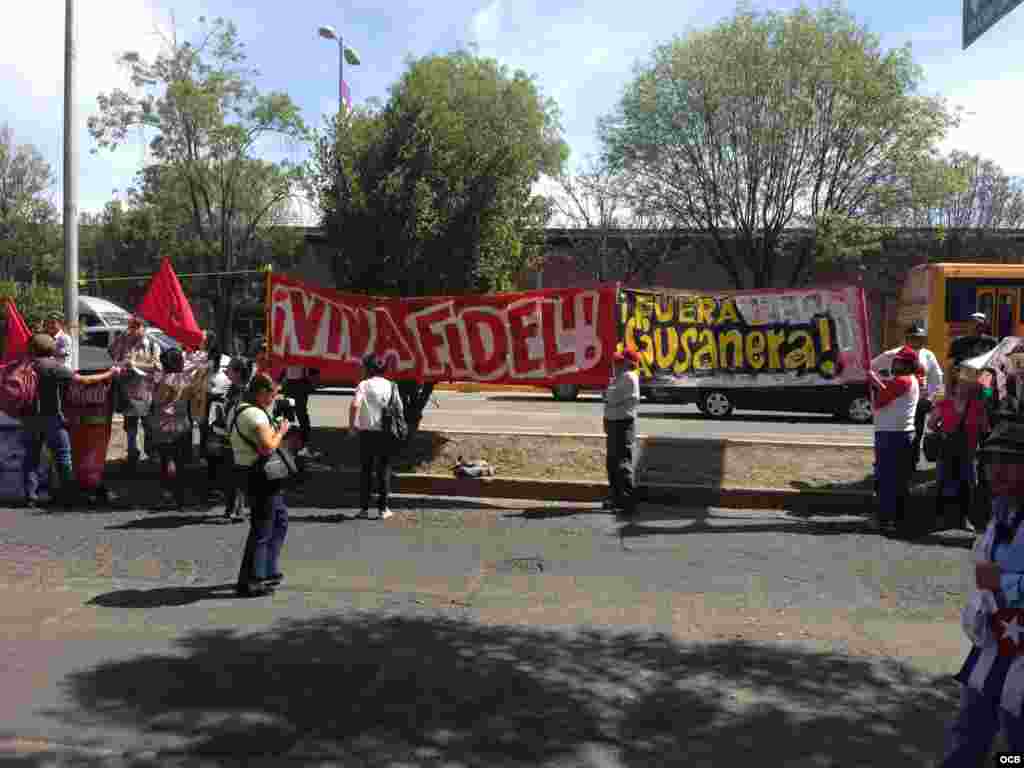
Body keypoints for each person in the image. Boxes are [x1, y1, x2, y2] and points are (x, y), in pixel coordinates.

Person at [939, 442, 1024, 766]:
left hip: (1018, 649)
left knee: (1015, 742)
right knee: (970, 729)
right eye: (992, 461)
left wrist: (1002, 583)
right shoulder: (1002, 510)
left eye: (1011, 461)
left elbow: (996, 577)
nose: (997, 470)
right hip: (995, 641)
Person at [22, 334, 119, 509]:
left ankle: (31, 496)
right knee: (63, 457)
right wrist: (110, 373)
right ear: (51, 348)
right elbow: (85, 380)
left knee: (31, 458)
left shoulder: (26, 366)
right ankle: (68, 496)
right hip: (53, 418)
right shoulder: (54, 367)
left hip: (30, 419)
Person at [231, 372, 291, 597]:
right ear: (261, 392)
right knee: (262, 528)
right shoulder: (254, 415)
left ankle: (266, 569)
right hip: (259, 474)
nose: (273, 399)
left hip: (253, 471)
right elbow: (267, 447)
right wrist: (281, 432)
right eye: (272, 395)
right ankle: (252, 580)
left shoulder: (243, 409)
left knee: (279, 520)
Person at [872, 322, 943, 470]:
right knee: (899, 431)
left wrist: (930, 397)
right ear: (906, 339)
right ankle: (899, 462)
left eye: (920, 338)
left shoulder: (928, 355)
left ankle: (912, 462)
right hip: (898, 399)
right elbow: (871, 367)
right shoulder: (893, 354)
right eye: (914, 338)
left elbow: (936, 377)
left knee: (917, 432)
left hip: (919, 400)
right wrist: (884, 382)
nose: (917, 341)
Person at [868, 344, 921, 534]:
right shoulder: (909, 380)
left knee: (887, 480)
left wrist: (872, 381)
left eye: (898, 362)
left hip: (892, 435)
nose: (894, 364)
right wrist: (875, 380)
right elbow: (887, 392)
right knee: (898, 480)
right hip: (899, 434)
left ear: (907, 364)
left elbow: (880, 400)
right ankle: (897, 519)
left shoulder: (902, 381)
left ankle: (885, 519)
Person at [928, 370, 988, 531]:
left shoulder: (978, 405)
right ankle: (941, 518)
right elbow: (931, 424)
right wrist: (943, 431)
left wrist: (985, 381)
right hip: (947, 450)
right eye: (961, 384)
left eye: (967, 384)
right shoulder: (944, 403)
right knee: (944, 484)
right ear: (954, 386)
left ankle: (964, 519)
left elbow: (984, 428)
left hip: (969, 452)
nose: (964, 387)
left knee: (967, 486)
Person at [349, 354, 400, 520]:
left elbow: (355, 405)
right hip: (385, 433)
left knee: (366, 470)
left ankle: (364, 509)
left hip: (366, 434)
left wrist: (352, 426)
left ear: (368, 368)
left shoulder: (363, 385)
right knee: (383, 470)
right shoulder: (391, 385)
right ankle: (383, 509)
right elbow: (398, 409)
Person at [149, 347, 200, 510]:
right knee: (181, 462)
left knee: (165, 461)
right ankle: (181, 498)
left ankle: (167, 495)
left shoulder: (164, 380)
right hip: (183, 422)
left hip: (164, 424)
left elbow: (157, 400)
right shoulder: (186, 379)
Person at [109, 316, 162, 467]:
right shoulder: (123, 342)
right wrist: (121, 338)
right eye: (131, 326)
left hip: (146, 390)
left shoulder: (152, 344)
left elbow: (157, 366)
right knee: (130, 424)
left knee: (148, 423)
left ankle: (151, 453)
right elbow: (112, 353)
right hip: (128, 389)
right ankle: (132, 452)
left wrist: (136, 365)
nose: (133, 330)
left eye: (137, 326)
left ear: (144, 328)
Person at [603, 347, 641, 517]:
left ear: (628, 363)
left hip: (622, 424)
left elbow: (609, 397)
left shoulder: (628, 377)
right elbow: (608, 397)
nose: (616, 364)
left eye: (620, 361)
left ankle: (627, 501)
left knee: (622, 462)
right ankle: (616, 498)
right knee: (613, 462)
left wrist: (608, 391)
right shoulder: (620, 377)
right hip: (615, 422)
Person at [282, 365, 320, 458]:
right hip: (290, 382)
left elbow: (312, 363)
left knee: (301, 415)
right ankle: (289, 447)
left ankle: (303, 447)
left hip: (300, 383)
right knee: (289, 416)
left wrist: (313, 378)